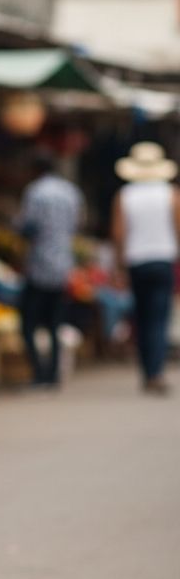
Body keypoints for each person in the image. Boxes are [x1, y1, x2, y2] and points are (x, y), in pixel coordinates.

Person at [110, 141, 179, 394]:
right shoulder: (171, 194)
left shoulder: (125, 195)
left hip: (136, 261)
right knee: (158, 318)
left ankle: (147, 370)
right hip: (163, 260)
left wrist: (118, 265)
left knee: (141, 317)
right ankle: (156, 371)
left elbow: (118, 234)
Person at [15, 149, 85, 387]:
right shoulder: (70, 192)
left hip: (40, 264)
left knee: (28, 323)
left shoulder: (35, 192)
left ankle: (39, 372)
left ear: (35, 170)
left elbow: (27, 226)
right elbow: (78, 224)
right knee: (55, 323)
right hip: (63, 264)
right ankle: (53, 374)